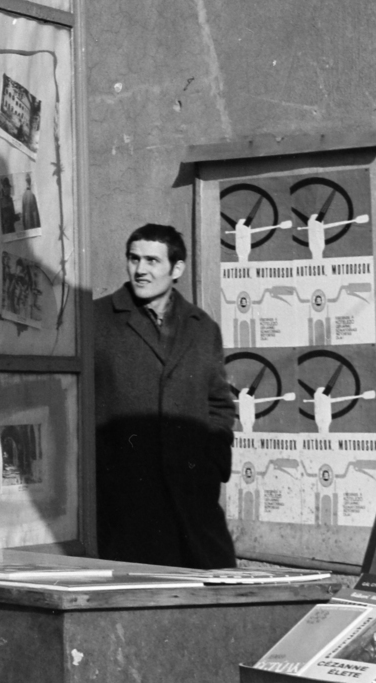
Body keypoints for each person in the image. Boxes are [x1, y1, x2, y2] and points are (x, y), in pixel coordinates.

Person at [93, 223, 238, 567]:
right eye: (133, 259)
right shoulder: (95, 319)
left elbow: (218, 402)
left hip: (191, 493)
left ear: (177, 269)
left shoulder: (202, 327)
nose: (140, 270)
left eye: (152, 261)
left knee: (212, 583)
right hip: (124, 494)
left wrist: (213, 461)